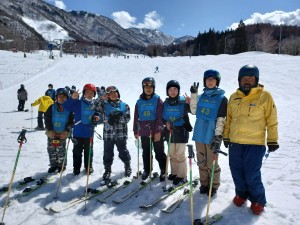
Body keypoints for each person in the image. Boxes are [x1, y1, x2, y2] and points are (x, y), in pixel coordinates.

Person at [223, 65, 279, 215]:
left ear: (256, 79)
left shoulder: (264, 96)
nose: (247, 81)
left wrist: (272, 139)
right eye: (244, 78)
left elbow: (271, 119)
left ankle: (258, 200)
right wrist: (226, 136)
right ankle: (241, 194)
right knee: (236, 171)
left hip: (255, 144)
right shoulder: (234, 97)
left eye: (250, 78)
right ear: (239, 80)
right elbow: (229, 120)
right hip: (235, 143)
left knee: (251, 173)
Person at [190, 69, 228, 197]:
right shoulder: (201, 97)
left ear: (217, 81)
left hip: (212, 135)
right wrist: (194, 94)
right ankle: (204, 183)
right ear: (204, 81)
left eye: (213, 79)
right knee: (201, 161)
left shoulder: (222, 98)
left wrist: (218, 136)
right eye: (208, 79)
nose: (210, 81)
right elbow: (194, 111)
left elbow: (221, 119)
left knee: (212, 162)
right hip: (200, 133)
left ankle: (214, 185)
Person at [94, 86, 132, 180]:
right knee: (108, 153)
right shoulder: (104, 105)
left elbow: (127, 118)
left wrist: (117, 118)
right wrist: (100, 99)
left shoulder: (124, 105)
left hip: (121, 133)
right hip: (108, 134)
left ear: (118, 93)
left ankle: (127, 165)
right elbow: (94, 107)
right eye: (111, 94)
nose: (114, 95)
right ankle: (107, 170)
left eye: (115, 93)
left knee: (123, 151)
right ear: (108, 95)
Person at [133, 77, 167, 181]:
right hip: (144, 131)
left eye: (150, 87)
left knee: (159, 152)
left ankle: (163, 170)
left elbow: (161, 118)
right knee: (146, 152)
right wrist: (135, 130)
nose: (148, 89)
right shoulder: (139, 102)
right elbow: (136, 116)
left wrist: (158, 131)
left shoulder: (157, 100)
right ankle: (147, 170)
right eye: (146, 87)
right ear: (143, 88)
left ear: (153, 88)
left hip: (155, 130)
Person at [63, 83, 100, 176]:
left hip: (89, 132)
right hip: (78, 132)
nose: (89, 94)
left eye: (92, 92)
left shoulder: (94, 104)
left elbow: (97, 113)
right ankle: (76, 169)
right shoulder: (78, 103)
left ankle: (88, 167)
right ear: (84, 93)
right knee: (77, 152)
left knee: (89, 152)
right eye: (87, 92)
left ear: (94, 94)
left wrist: (96, 117)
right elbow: (65, 106)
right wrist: (72, 98)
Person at [162, 80, 193, 185]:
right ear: (167, 91)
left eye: (175, 89)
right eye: (170, 89)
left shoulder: (183, 101)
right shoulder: (165, 103)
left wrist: (191, 102)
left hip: (181, 131)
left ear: (178, 91)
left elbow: (194, 111)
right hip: (169, 132)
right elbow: (162, 117)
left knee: (180, 155)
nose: (173, 91)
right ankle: (174, 173)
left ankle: (182, 175)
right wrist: (166, 122)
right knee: (172, 154)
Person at [44, 88, 74, 173]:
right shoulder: (51, 107)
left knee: (61, 150)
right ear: (56, 97)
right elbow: (47, 119)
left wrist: (67, 130)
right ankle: (53, 165)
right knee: (51, 149)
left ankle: (61, 165)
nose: (61, 98)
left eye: (64, 97)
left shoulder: (69, 109)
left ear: (67, 98)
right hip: (52, 132)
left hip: (62, 133)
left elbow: (72, 121)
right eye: (60, 96)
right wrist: (50, 130)